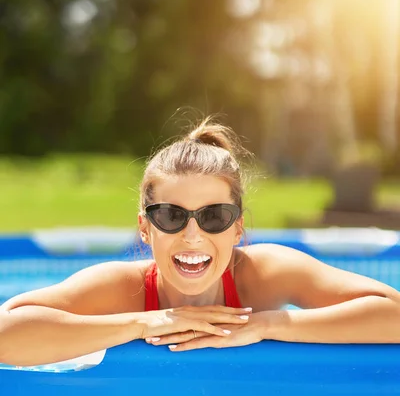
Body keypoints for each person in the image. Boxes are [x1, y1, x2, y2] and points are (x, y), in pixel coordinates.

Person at [1, 118, 400, 367]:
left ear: (238, 228)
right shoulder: (125, 290)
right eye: (171, 216)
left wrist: (268, 324)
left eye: (213, 217)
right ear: (145, 228)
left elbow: (392, 314)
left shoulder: (263, 275)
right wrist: (143, 323)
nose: (193, 236)